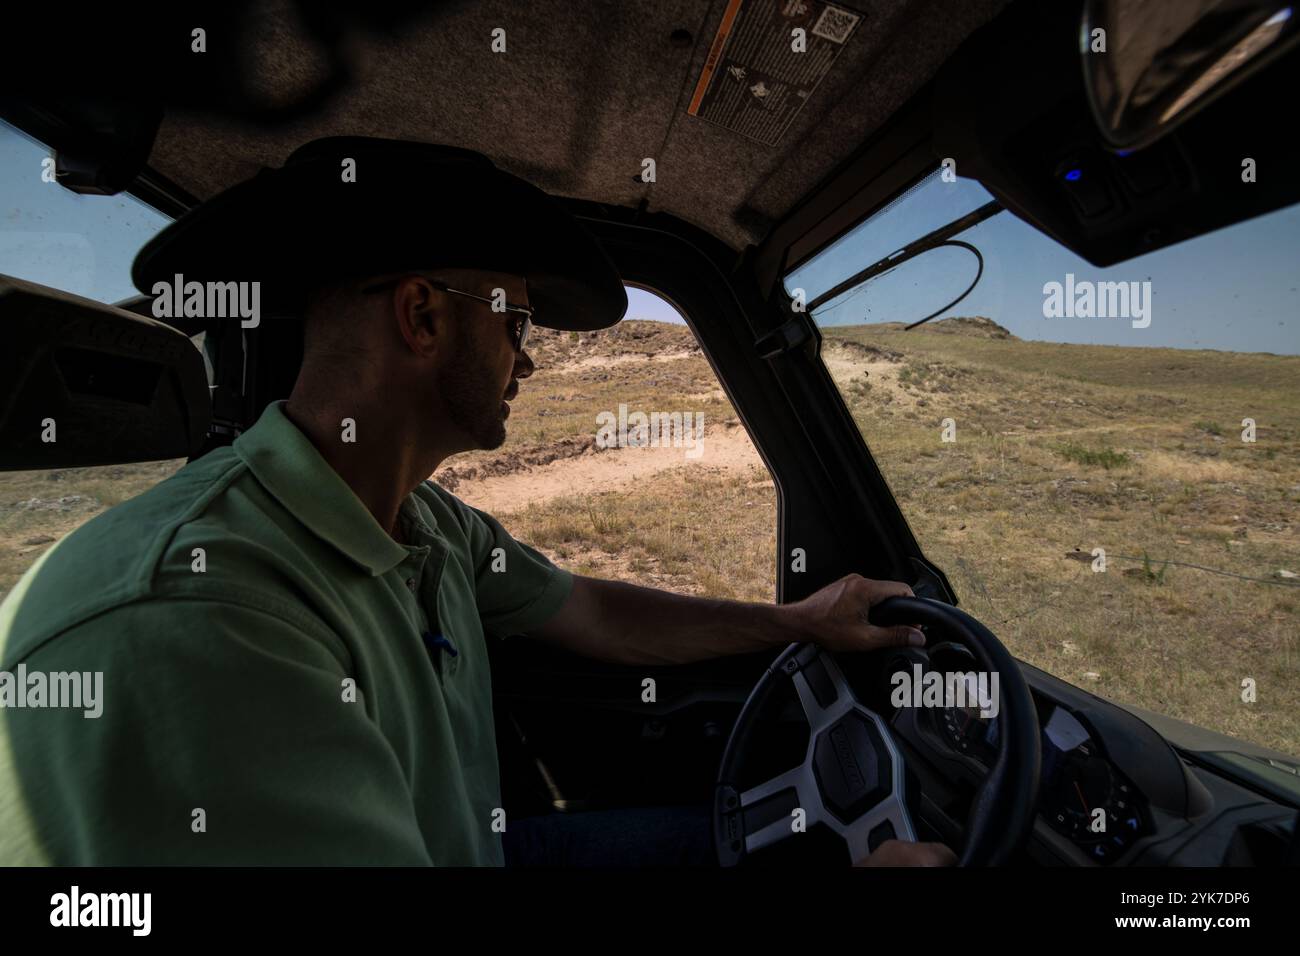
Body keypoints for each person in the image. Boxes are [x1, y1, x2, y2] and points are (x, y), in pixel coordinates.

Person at [0, 137, 955, 867]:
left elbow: (590, 611)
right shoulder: (207, 619)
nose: (529, 357)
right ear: (421, 316)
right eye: (517, 319)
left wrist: (801, 619)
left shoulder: (426, 522)